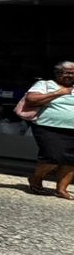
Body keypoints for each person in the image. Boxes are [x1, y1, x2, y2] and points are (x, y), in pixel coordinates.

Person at [25, 61, 74, 199]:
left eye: (73, 73)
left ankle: (61, 189)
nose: (71, 76)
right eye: (68, 73)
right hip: (48, 127)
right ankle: (36, 178)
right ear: (58, 73)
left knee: (71, 160)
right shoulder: (45, 84)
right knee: (52, 157)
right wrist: (59, 93)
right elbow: (31, 99)